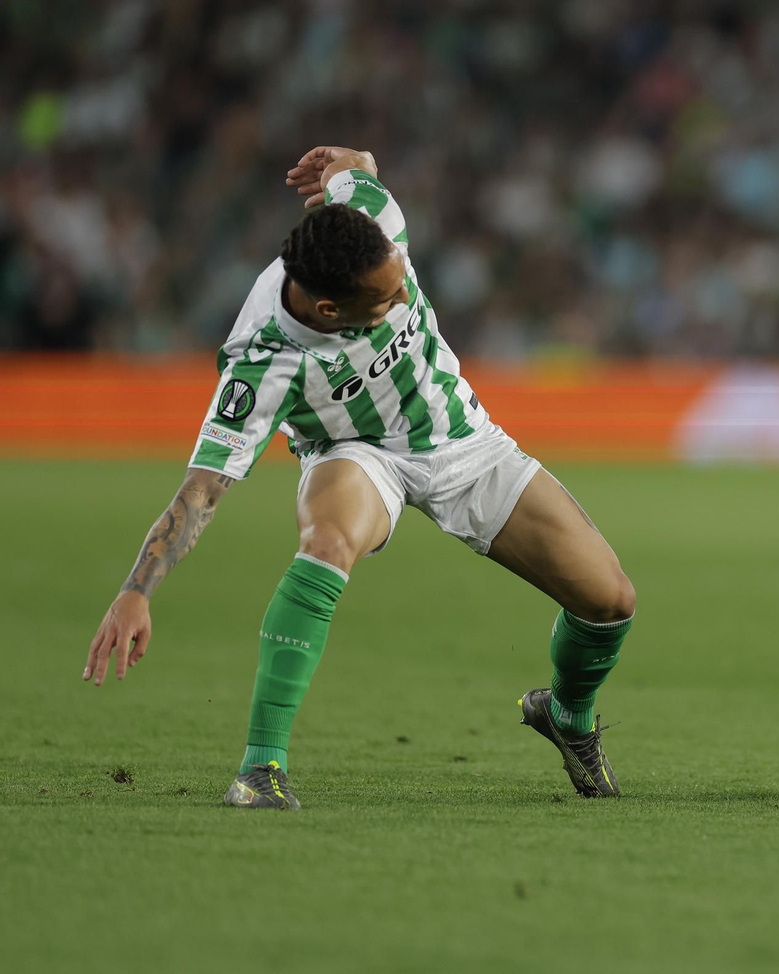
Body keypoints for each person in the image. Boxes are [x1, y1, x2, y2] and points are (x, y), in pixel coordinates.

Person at [83, 147, 636, 807]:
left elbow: (359, 165)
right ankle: (260, 768)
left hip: (460, 437)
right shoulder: (263, 362)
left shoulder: (376, 218)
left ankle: (567, 714)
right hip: (356, 451)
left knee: (610, 601)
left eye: (400, 280)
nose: (404, 296)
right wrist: (136, 591)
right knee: (327, 541)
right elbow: (202, 490)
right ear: (328, 311)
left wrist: (344, 158)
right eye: (385, 298)